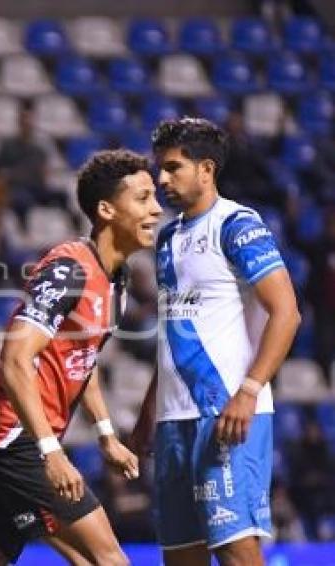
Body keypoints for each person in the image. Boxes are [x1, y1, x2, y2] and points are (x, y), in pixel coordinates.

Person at [0, 149, 162, 565]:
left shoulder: (117, 280)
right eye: (142, 198)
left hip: (1, 441)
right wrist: (51, 452)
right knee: (107, 560)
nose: (157, 209)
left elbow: (83, 360)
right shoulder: (69, 269)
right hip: (15, 440)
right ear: (105, 209)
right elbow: (14, 360)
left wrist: (105, 433)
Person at [131, 117, 302, 566]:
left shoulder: (237, 224)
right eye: (159, 169)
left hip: (225, 411)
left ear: (206, 169)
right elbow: (177, 330)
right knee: (181, 555)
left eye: (172, 168)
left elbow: (287, 312)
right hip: (174, 419)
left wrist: (248, 391)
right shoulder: (167, 238)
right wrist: (151, 408)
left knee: (235, 548)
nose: (161, 179)